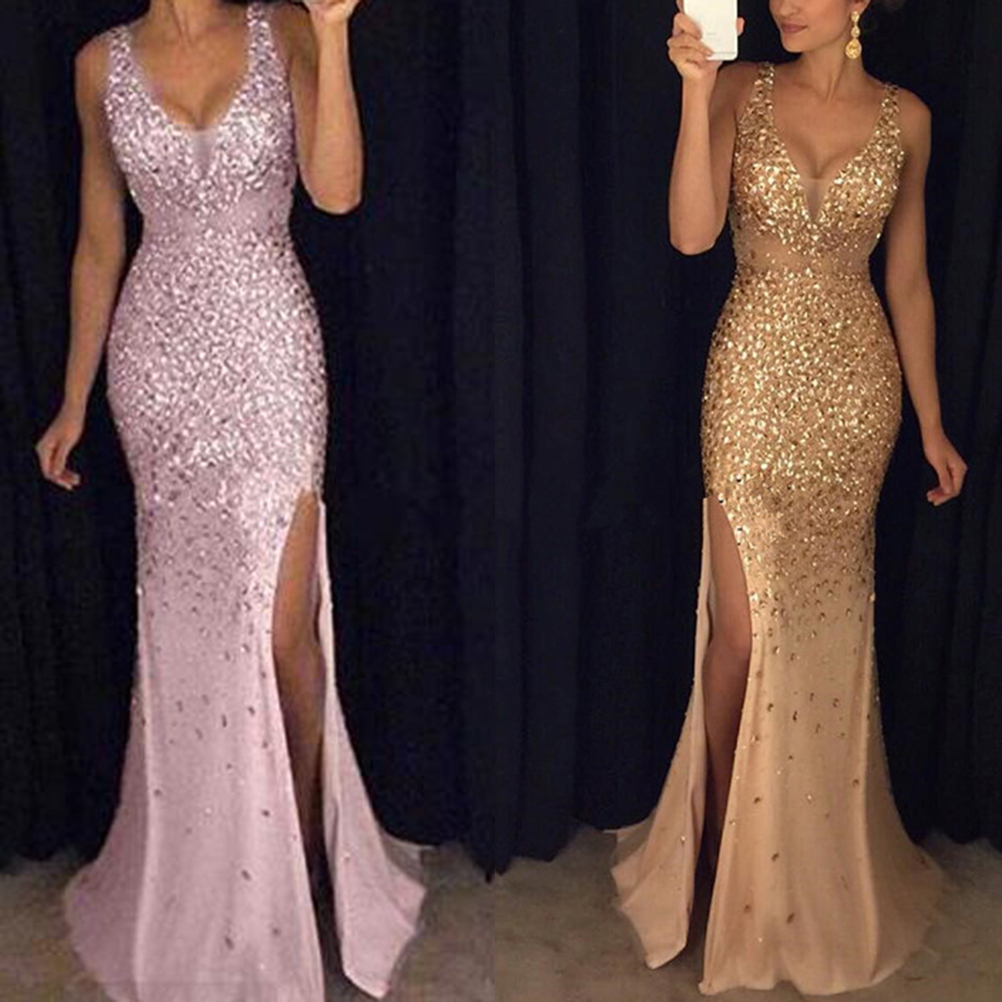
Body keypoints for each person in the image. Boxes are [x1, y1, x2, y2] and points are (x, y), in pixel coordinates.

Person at [35, 1, 425, 998]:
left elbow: (337, 192)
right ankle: (219, 881)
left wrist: (333, 32)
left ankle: (300, 867)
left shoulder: (283, 29)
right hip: (158, 364)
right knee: (193, 638)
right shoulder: (98, 65)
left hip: (269, 352)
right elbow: (98, 243)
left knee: (284, 634)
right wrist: (74, 400)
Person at [610, 0, 965, 994]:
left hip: (856, 394)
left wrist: (932, 425)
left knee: (821, 635)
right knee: (740, 633)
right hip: (751, 382)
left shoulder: (908, 119)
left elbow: (909, 285)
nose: (786, 3)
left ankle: (799, 866)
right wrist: (693, 94)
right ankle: (725, 859)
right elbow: (691, 235)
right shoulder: (738, 87)